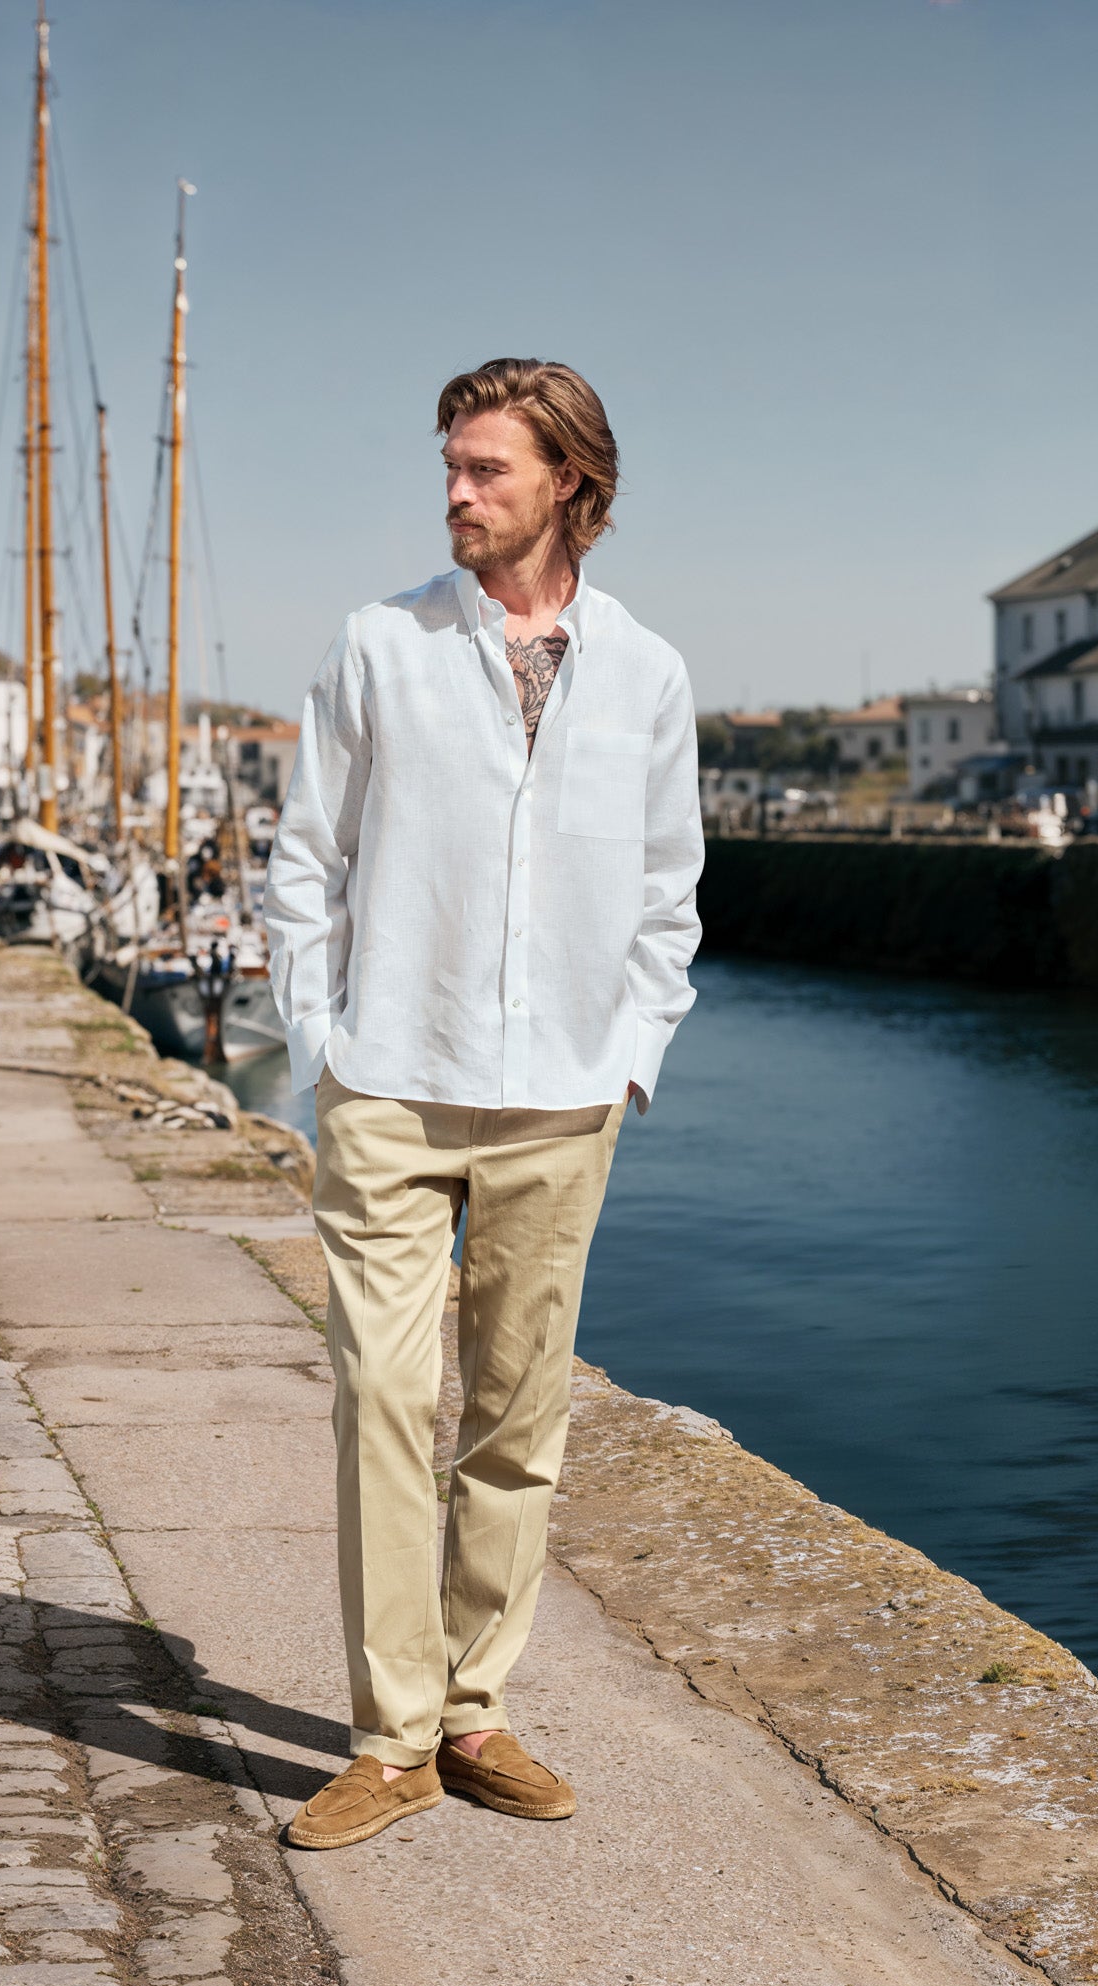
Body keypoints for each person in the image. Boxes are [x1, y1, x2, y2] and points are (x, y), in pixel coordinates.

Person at [263, 357, 703, 1850]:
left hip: (562, 1101)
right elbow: (303, 862)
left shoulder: (646, 672)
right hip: (391, 1084)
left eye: (486, 472)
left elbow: (667, 896)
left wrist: (630, 1053)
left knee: (517, 1419)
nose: (456, 494)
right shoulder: (378, 646)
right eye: (449, 469)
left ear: (569, 482)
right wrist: (322, 1042)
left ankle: (475, 1713)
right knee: (385, 1399)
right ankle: (387, 1739)